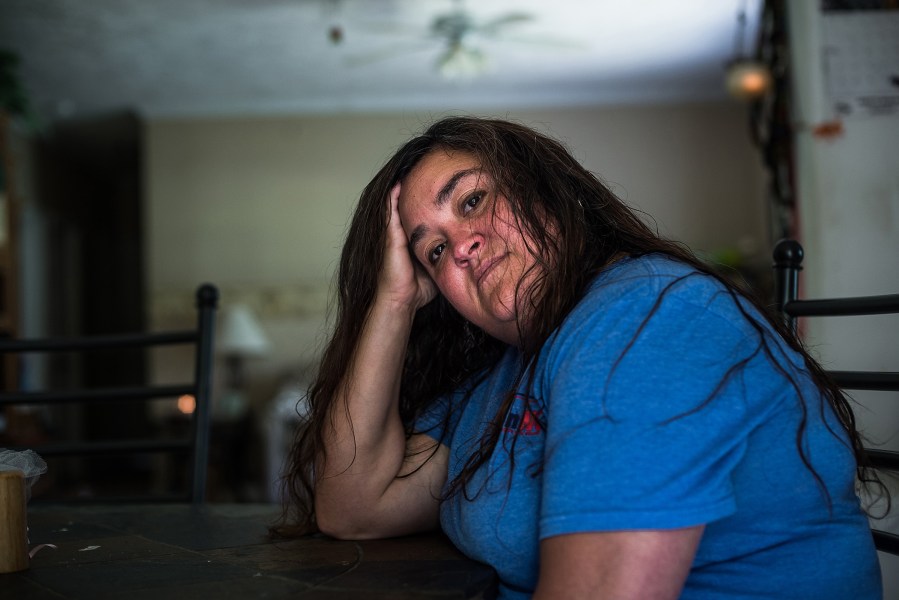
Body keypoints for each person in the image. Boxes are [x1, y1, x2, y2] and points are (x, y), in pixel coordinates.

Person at [278, 116, 885, 599]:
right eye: (432, 251)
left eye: (471, 201)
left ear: (548, 189)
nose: (460, 246)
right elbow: (353, 508)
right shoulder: (503, 371)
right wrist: (393, 298)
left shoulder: (645, 321)